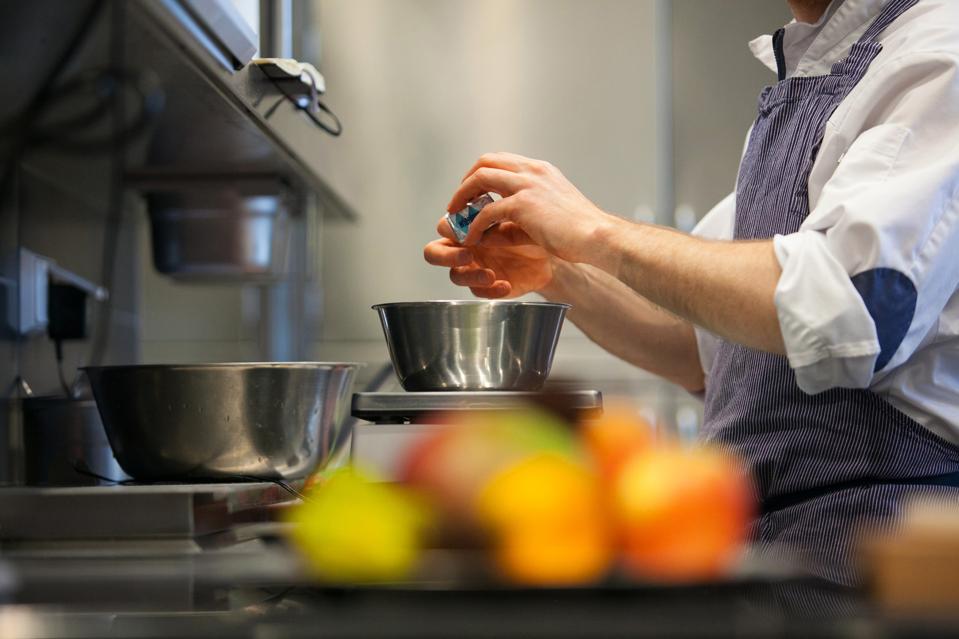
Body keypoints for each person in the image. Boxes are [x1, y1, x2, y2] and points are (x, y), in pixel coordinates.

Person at [423, 0, 959, 586]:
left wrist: (598, 234)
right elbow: (701, 344)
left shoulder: (937, 54)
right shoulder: (820, 78)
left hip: (882, 555)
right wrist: (558, 268)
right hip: (774, 551)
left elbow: (851, 304)